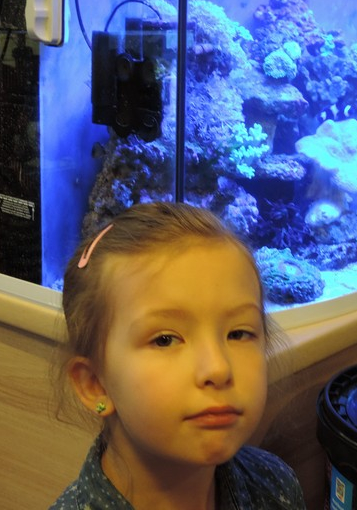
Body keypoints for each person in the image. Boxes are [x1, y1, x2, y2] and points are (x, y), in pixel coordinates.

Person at [50, 201, 306, 510]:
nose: (218, 368)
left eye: (238, 333)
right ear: (95, 384)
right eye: (165, 340)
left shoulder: (274, 485)